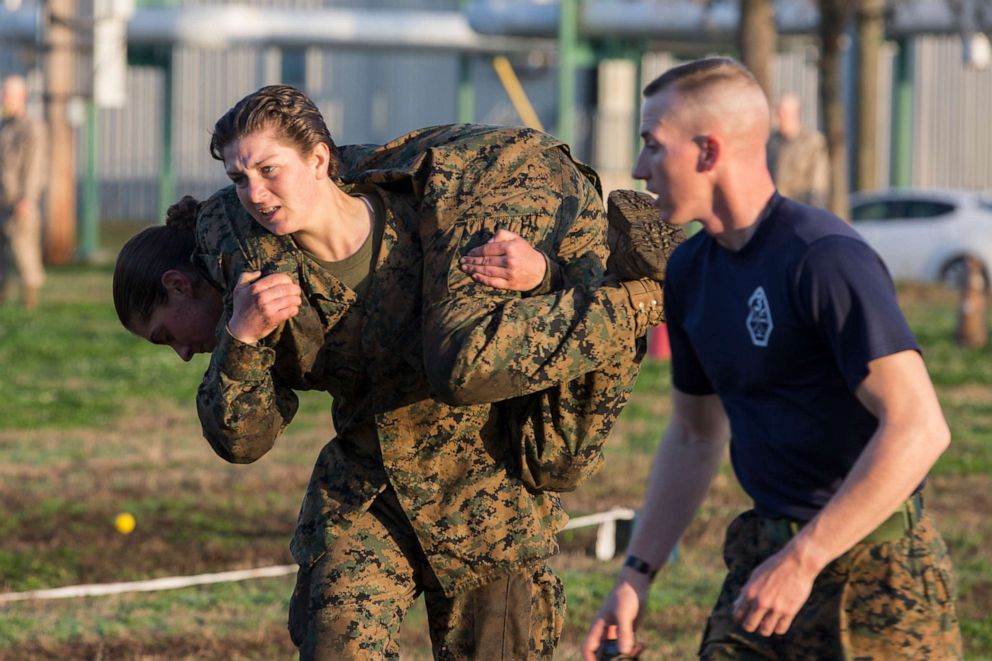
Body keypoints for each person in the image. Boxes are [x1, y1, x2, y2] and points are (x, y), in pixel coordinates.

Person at [114, 85, 682, 659]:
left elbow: (508, 341)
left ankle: (643, 291)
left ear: (318, 159)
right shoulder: (248, 268)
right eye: (239, 179)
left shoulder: (437, 220)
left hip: (489, 495)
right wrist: (243, 337)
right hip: (369, 490)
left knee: (549, 441)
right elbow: (240, 439)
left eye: (269, 170)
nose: (254, 194)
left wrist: (549, 278)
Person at [583, 57, 961, 660]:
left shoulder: (823, 256)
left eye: (653, 146)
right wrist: (635, 574)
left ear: (708, 151)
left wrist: (806, 558)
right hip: (765, 557)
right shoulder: (688, 270)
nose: (637, 169)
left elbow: (920, 427)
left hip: (877, 571)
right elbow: (691, 435)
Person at [0, 74, 46, 309]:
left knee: (23, 249)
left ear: (22, 98)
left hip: (20, 200)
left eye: (7, 95)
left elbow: (34, 166)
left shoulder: (31, 128)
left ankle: (31, 302)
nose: (3, 99)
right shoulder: (5, 126)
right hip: (3, 199)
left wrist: (27, 199)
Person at [766, 91, 829, 208]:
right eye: (778, 112)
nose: (778, 117)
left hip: (799, 208)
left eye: (782, 113)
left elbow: (817, 185)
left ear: (795, 114)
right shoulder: (771, 142)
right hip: (775, 208)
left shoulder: (812, 143)